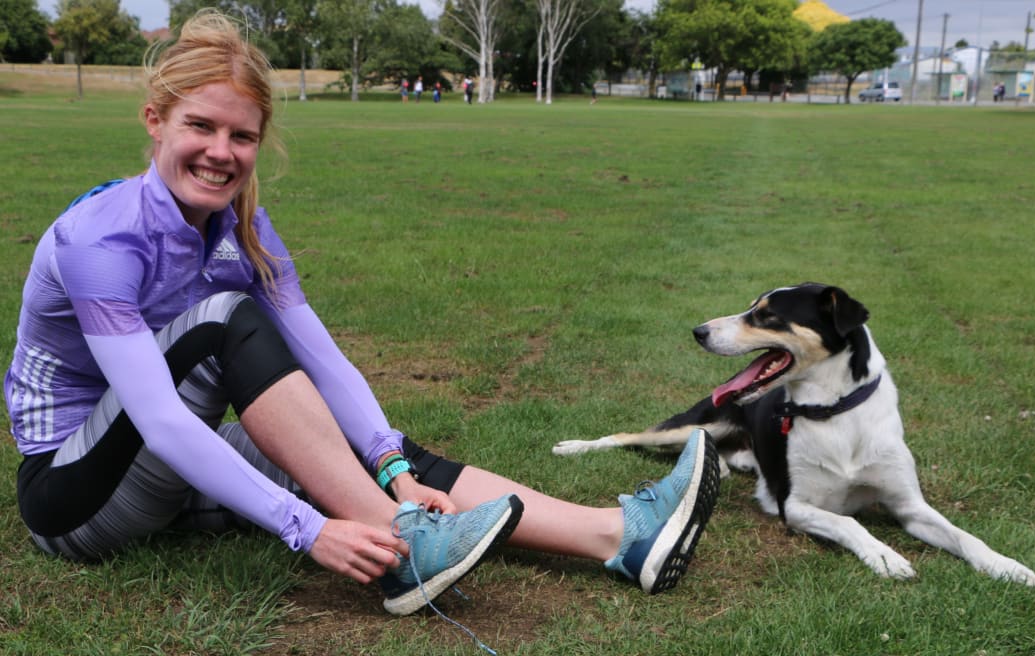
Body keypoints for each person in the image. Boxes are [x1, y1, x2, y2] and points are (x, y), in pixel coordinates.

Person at [6, 7, 719, 635]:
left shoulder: (242, 226)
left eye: (242, 135)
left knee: (351, 443)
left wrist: (393, 465)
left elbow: (323, 360)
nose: (222, 152)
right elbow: (159, 418)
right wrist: (308, 528)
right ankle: (405, 549)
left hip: (161, 478)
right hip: (72, 497)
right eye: (200, 125)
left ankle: (619, 537)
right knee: (224, 322)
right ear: (154, 120)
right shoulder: (99, 238)